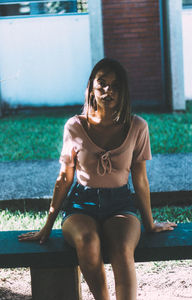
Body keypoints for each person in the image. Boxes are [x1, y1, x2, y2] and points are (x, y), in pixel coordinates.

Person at [18, 58, 176, 300]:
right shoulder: (75, 126)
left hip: (121, 205)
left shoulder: (137, 127)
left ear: (123, 91)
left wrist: (150, 223)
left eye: (115, 85)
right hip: (81, 205)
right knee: (88, 241)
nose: (108, 90)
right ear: (91, 86)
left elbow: (140, 180)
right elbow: (64, 178)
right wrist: (47, 226)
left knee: (122, 249)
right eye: (102, 83)